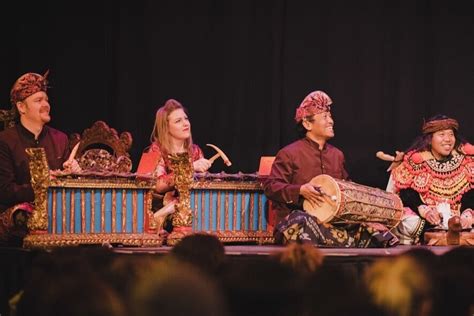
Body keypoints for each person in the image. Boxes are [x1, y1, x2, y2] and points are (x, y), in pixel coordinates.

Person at [264, 90, 398, 247]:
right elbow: (270, 187)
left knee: (378, 231)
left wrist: (365, 216)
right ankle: (334, 241)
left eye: (330, 116)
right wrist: (300, 190)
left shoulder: (337, 155)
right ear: (307, 124)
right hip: (298, 221)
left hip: (333, 222)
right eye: (325, 117)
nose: (331, 121)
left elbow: (347, 189)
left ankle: (334, 240)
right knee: (303, 222)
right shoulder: (289, 153)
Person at [0, 71, 77, 246]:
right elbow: (4, 190)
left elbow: (66, 182)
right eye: (38, 100)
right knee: (22, 215)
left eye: (46, 100)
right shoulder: (5, 141)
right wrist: (42, 186)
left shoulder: (60, 139)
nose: (46, 104)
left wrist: (73, 174)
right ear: (21, 107)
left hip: (57, 210)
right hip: (18, 211)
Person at [388, 114, 473, 244]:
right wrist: (423, 209)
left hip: (462, 218)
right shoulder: (414, 161)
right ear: (429, 139)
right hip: (428, 219)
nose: (448, 139)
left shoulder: (467, 160)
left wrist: (468, 213)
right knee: (409, 222)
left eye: (451, 134)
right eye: (442, 134)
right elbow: (404, 192)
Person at [144, 99, 211, 231]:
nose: (185, 123)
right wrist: (190, 168)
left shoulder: (195, 151)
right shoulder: (156, 149)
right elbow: (158, 186)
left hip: (189, 205)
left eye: (186, 119)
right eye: (178, 121)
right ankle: (158, 219)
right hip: (162, 204)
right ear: (166, 127)